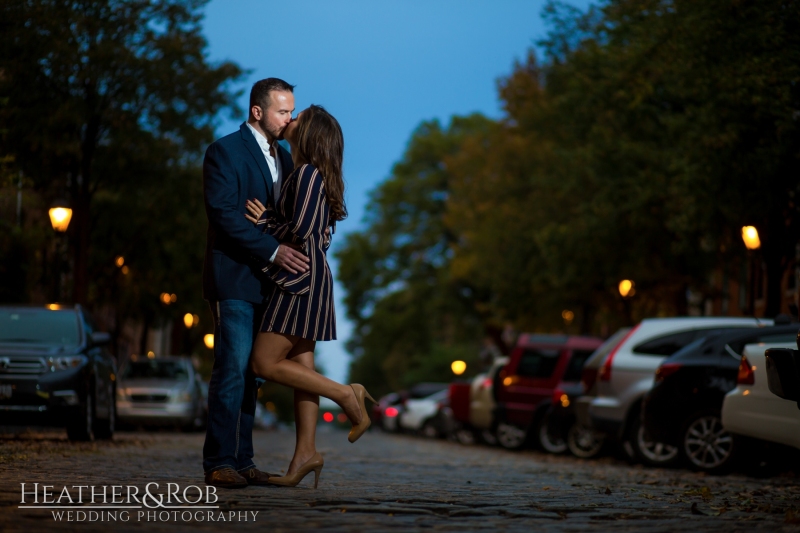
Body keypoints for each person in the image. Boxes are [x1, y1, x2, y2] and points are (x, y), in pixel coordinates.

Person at [243, 105, 375, 489]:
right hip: (313, 278)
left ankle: (346, 395)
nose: (290, 119)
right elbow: (320, 235)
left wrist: (264, 220)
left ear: (310, 132)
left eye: (297, 117)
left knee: (264, 363)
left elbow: (299, 229)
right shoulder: (319, 177)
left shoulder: (305, 174)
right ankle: (306, 455)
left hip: (298, 279)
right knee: (303, 373)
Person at [201, 78, 311, 489]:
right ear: (257, 111)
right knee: (231, 368)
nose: (289, 119)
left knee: (253, 375)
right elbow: (223, 214)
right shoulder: (224, 151)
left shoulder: (285, 158)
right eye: (283, 111)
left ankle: (243, 460)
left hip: (270, 284)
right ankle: (219, 462)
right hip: (232, 277)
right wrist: (273, 250)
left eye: (291, 110)